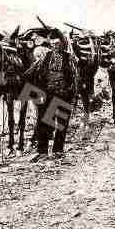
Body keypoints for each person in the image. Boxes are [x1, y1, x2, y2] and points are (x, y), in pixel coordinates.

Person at [27, 28, 77, 162]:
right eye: (53, 43)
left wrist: (71, 93)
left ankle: (58, 151)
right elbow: (34, 74)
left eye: (57, 43)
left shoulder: (69, 58)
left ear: (62, 43)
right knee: (43, 123)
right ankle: (42, 152)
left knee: (61, 124)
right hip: (47, 94)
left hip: (63, 94)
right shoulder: (45, 57)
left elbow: (74, 78)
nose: (55, 46)